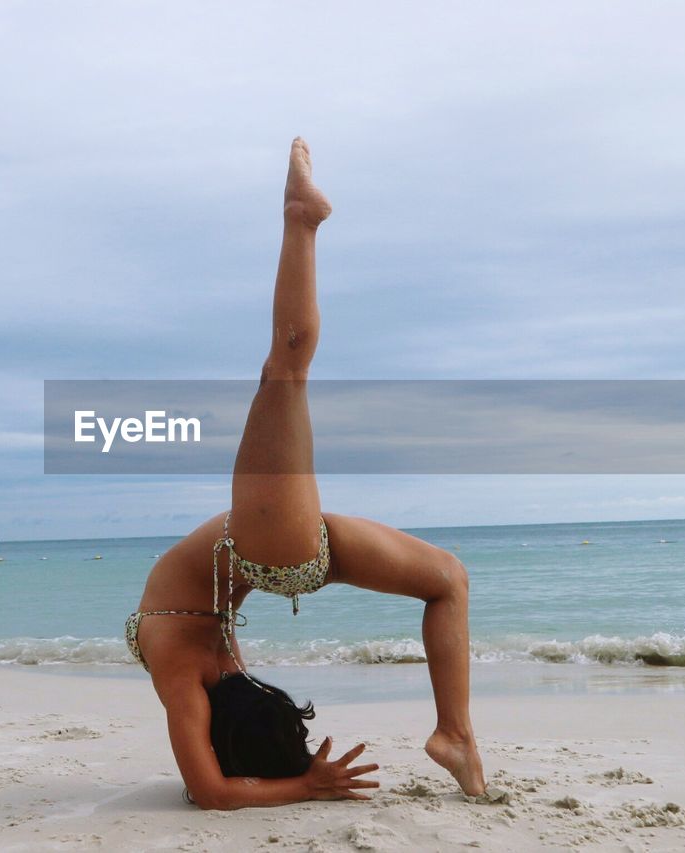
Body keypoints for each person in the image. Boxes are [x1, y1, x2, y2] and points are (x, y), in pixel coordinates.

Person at [127, 139, 485, 810]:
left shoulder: (182, 679)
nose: (255, 678)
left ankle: (455, 733)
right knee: (283, 374)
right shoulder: (194, 676)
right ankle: (300, 220)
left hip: (270, 548)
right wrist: (306, 785)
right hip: (274, 551)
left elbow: (208, 788)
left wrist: (300, 782)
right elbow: (210, 788)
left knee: (448, 579)